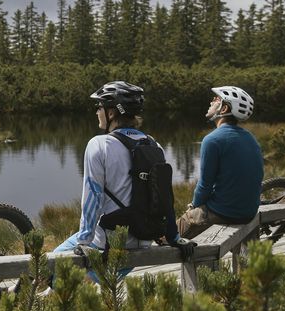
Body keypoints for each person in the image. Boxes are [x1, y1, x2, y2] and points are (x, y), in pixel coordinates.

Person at [53, 81, 188, 282]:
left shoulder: (99, 145)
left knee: (51, 270)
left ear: (112, 113)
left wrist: (84, 241)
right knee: (56, 276)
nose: (96, 111)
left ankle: (14, 296)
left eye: (99, 107)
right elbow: (165, 198)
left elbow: (92, 198)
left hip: (107, 244)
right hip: (140, 241)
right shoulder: (154, 145)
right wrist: (174, 237)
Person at [177, 85, 264, 239]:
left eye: (216, 99)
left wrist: (193, 206)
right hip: (248, 213)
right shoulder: (251, 138)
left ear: (224, 109)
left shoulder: (212, 140)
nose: (211, 101)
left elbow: (204, 186)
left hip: (224, 213)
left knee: (170, 234)